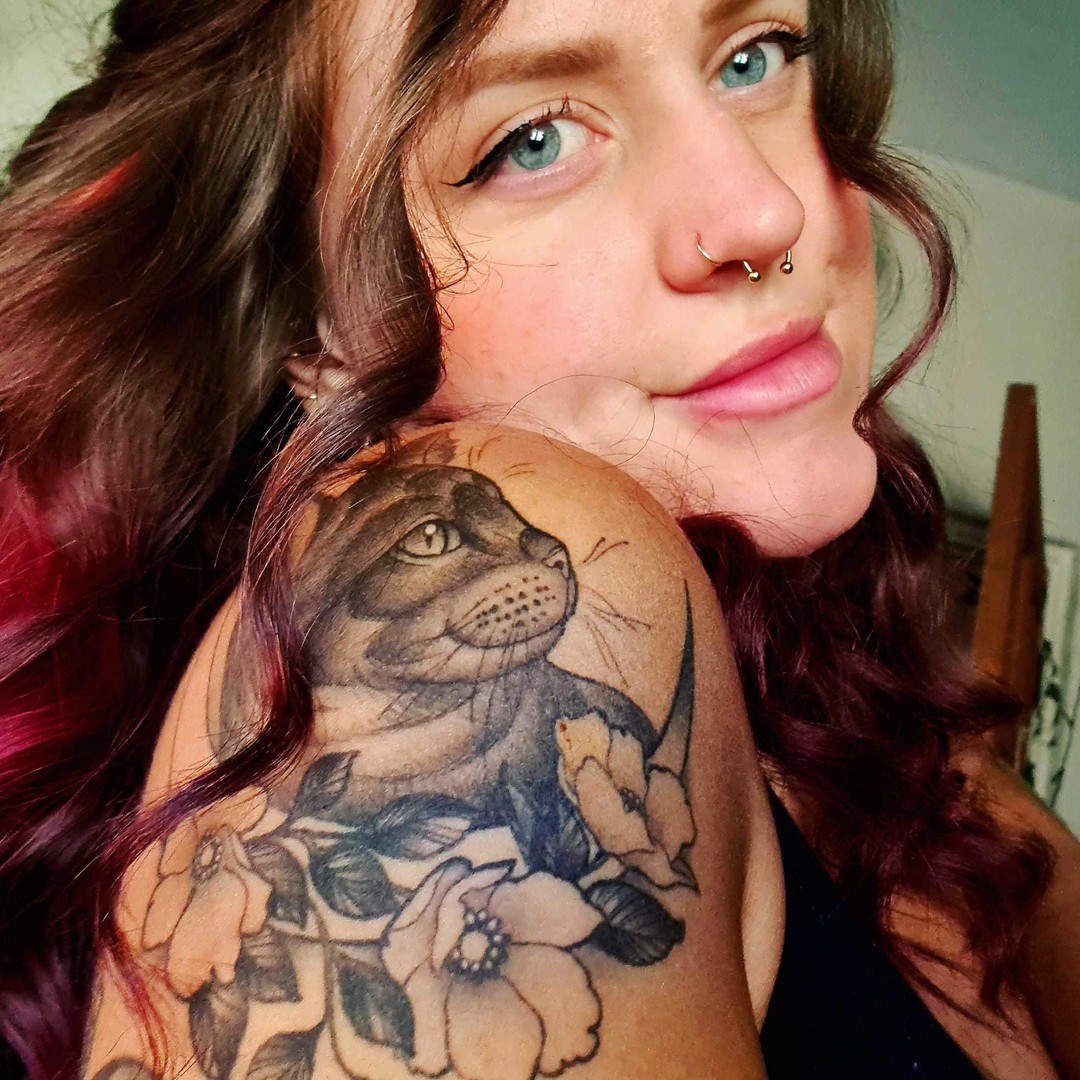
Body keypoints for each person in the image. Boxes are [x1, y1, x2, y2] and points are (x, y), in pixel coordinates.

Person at [0, 0, 1076, 1077]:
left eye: (753, 58)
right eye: (534, 141)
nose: (766, 211)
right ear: (319, 336)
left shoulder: (883, 731)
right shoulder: (514, 555)